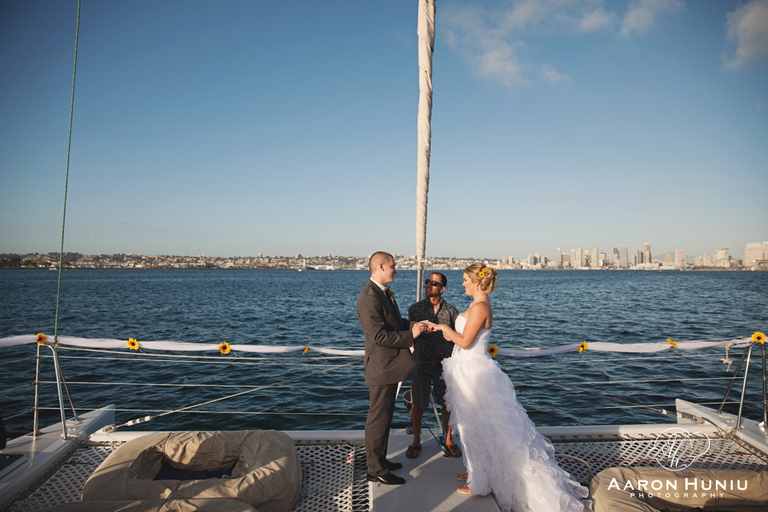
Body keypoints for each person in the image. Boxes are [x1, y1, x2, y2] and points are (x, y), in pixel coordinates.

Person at [434, 263, 589, 512]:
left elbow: (464, 342)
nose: (462, 283)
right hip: (466, 370)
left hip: (474, 373)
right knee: (470, 425)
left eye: (464, 279)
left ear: (476, 282)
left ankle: (480, 483)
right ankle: (477, 470)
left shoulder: (480, 306)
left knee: (476, 426)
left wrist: (444, 329)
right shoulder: (477, 305)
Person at [357, 251, 429, 485]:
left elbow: (394, 324)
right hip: (382, 368)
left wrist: (413, 325)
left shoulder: (382, 294)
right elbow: (379, 336)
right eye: (393, 266)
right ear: (380, 266)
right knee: (378, 419)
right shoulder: (369, 297)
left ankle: (381, 461)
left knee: (385, 417)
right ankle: (375, 469)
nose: (396, 270)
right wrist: (411, 335)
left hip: (389, 366)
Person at [406, 272, 461, 459]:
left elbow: (456, 338)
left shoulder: (452, 312)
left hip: (444, 365)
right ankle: (416, 441)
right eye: (427, 282)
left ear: (442, 288)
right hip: (420, 363)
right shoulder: (414, 309)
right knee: (417, 404)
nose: (428, 284)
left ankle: (448, 440)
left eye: (433, 283)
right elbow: (411, 337)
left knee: (446, 403)